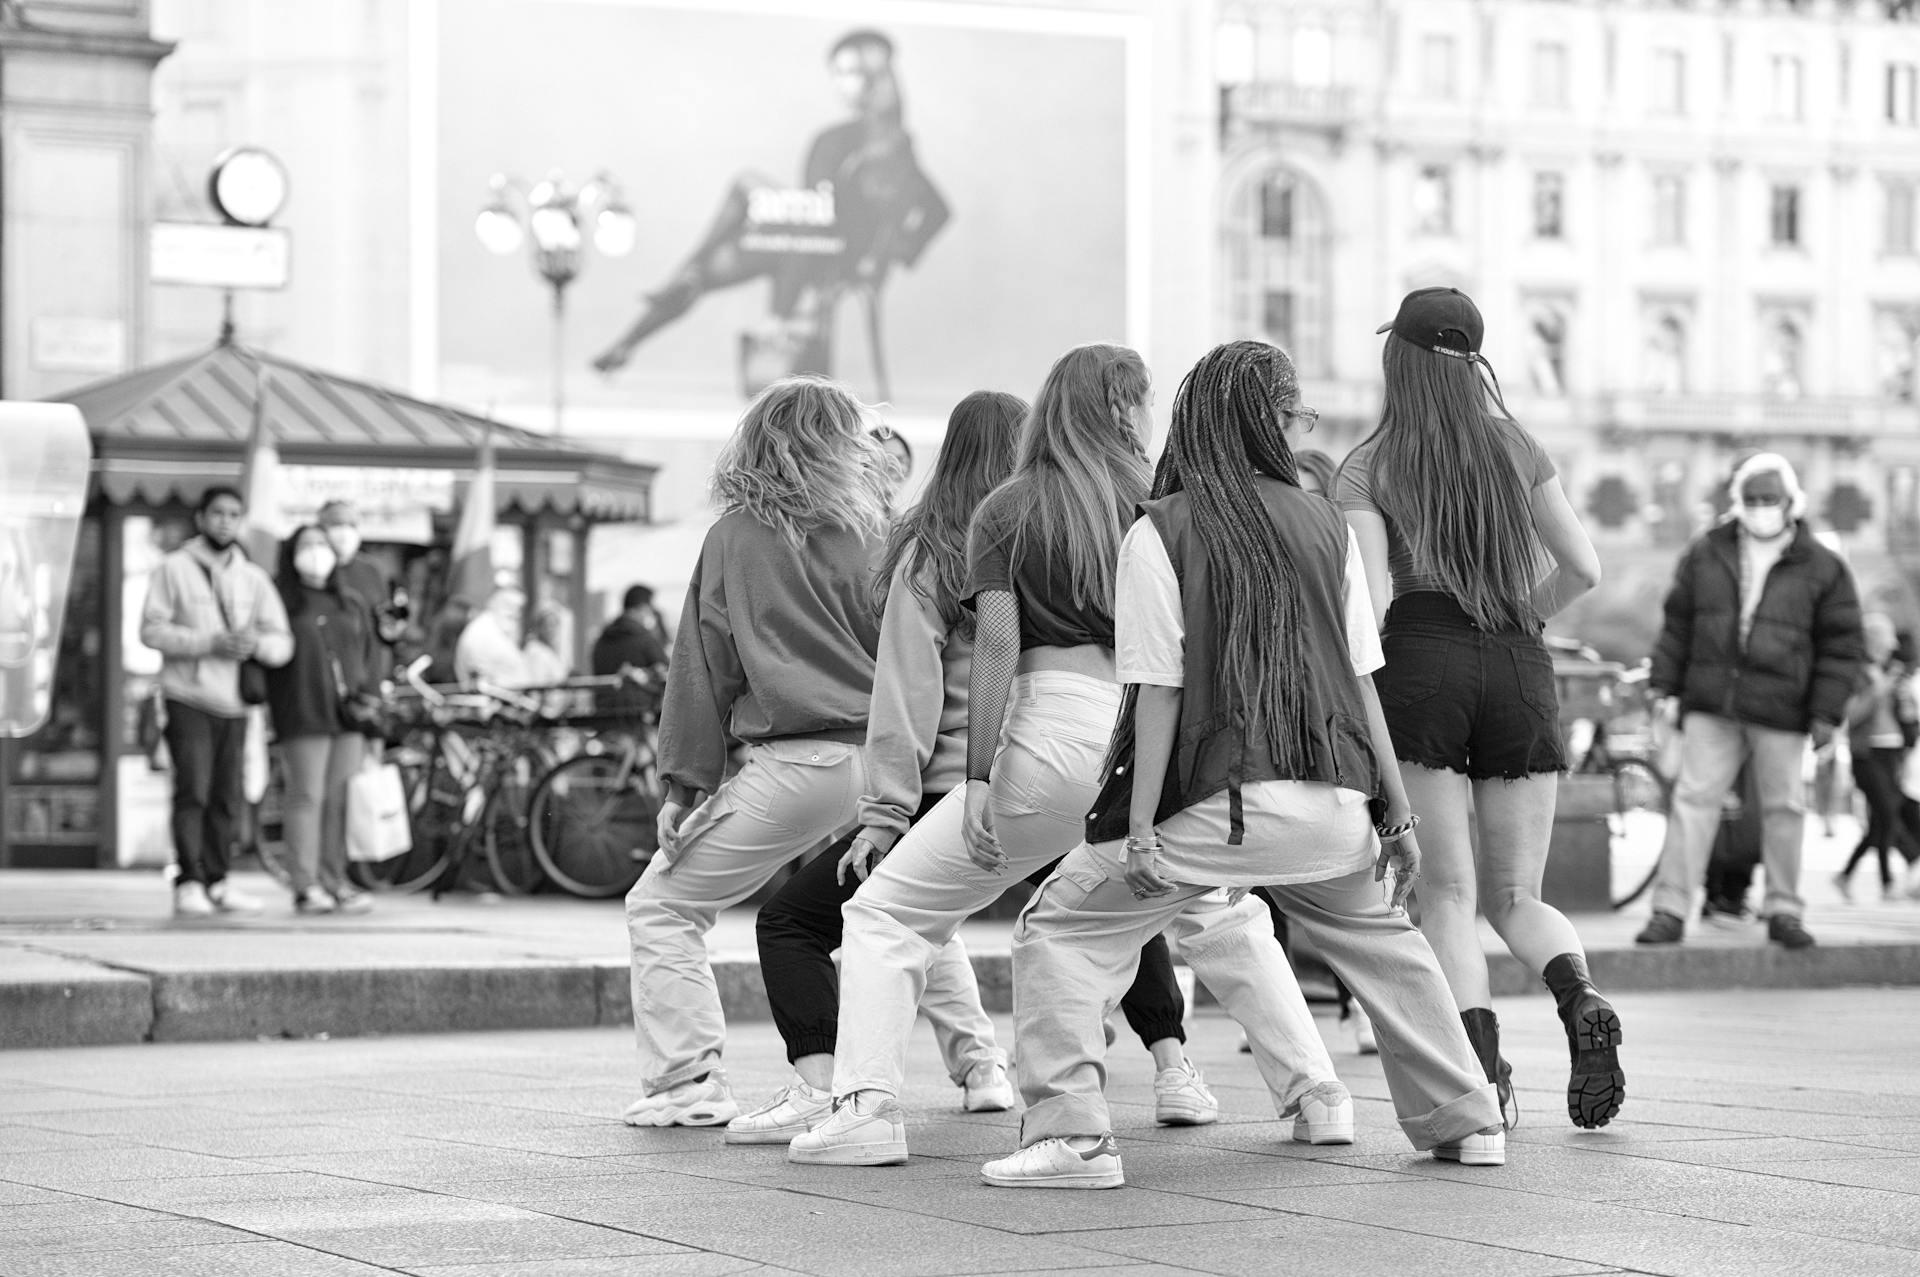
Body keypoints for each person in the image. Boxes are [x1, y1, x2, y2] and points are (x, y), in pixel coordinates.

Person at [978, 341, 1505, 1190]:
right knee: (1384, 939)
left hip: (1216, 809)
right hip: (1336, 802)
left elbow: (1156, 693)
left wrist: (1142, 829)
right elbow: (1366, 686)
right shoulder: (1325, 522)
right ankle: (1468, 1119)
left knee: (1060, 928)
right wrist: (1397, 818)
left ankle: (1073, 1138)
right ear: (1271, 421)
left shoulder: (1162, 529)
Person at [791, 344, 1226, 1168]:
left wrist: (980, 780)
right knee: (1119, 922)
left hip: (1048, 729)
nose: (1148, 418)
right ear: (1122, 408)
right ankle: (1299, 1088)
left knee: (884, 915)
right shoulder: (1168, 505)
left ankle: (869, 1109)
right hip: (1143, 736)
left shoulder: (1007, 507)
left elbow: (996, 645)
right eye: (1141, 402)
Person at [1339, 287, 1620, 1131]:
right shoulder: (1518, 446)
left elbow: (1365, 603)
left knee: (1449, 895)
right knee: (1515, 895)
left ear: (1400, 360)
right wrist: (1522, 617)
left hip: (1422, 654)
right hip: (1520, 658)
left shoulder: (1370, 463)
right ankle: (1580, 1000)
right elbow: (1585, 567)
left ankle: (1485, 1077)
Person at [731, 391, 1025, 1144]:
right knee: (1085, 919)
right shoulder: (1057, 539)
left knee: (804, 919)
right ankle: (1146, 1064)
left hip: (950, 784)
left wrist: (886, 814)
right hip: (1060, 772)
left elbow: (908, 693)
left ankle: (843, 1094)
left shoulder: (928, 548)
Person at [621, 375, 892, 1128]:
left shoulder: (734, 537)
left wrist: (684, 786)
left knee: (664, 904)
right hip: (886, 761)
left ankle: (688, 1081)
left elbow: (702, 668)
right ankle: (976, 1064)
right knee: (894, 908)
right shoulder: (878, 533)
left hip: (799, 761)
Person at [592, 29, 948, 379]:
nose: (850, 83)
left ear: (883, 76)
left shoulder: (894, 149)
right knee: (718, 256)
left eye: (859, 72)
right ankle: (637, 331)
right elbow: (810, 213)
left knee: (755, 198)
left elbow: (936, 210)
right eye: (841, 73)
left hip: (831, 252)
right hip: (798, 243)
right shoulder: (836, 139)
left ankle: (670, 300)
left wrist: (888, 254)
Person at [1636, 452, 1865, 951]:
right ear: (1738, 501)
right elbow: (1678, 624)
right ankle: (1670, 909)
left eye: (1771, 499)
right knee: (1693, 801)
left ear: (1791, 502)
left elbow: (1842, 643)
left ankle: (1784, 908)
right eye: (1753, 499)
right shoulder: (1706, 551)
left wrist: (1827, 711)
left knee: (1786, 807)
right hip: (1712, 700)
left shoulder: (1823, 565)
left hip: (1783, 704)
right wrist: (1663, 682)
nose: (1762, 507)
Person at [139, 486, 293, 918]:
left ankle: (219, 881)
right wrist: (208, 642)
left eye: (233, 514)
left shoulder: (254, 578)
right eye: (217, 513)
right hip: (187, 697)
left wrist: (254, 645)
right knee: (193, 791)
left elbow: (283, 643)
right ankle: (188, 880)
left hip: (236, 704)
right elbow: (150, 631)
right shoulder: (173, 569)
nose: (226, 521)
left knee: (227, 796)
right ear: (201, 518)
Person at [264, 524, 381, 915]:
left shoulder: (350, 601)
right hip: (301, 708)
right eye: (307, 545)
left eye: (322, 544)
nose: (316, 552)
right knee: (307, 797)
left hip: (349, 715)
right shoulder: (280, 599)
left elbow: (368, 654)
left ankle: (335, 879)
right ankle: (305, 883)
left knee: (339, 800)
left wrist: (371, 699)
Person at [1834, 613, 1920, 901]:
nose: (1892, 644)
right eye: (1886, 637)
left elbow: (1906, 716)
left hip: (1893, 752)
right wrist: (1878, 688)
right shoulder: (1858, 672)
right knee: (1886, 812)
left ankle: (1847, 876)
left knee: (1881, 822)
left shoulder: (1895, 672)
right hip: (1866, 752)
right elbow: (1850, 715)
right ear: (1872, 639)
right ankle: (1896, 876)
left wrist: (1905, 700)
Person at [591, 584, 670, 717]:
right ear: (643, 608)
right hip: (639, 714)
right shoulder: (643, 638)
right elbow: (666, 670)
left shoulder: (603, 637)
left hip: (603, 713)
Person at [454, 586, 531, 689]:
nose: (515, 613)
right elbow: (481, 680)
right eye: (508, 605)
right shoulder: (481, 633)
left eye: (519, 608)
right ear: (492, 602)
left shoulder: (498, 629)